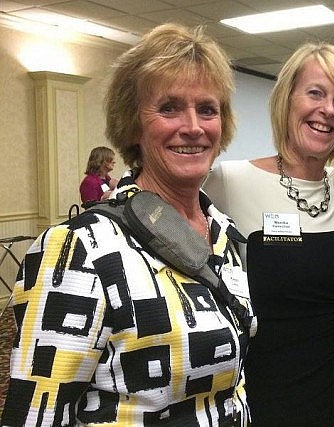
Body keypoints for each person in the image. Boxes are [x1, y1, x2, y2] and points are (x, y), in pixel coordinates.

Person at [1, 23, 255, 426]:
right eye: (169, 107)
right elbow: (35, 414)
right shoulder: (81, 248)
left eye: (207, 109)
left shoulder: (224, 232)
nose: (193, 126)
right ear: (133, 125)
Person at [204, 41, 334, 426]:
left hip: (332, 390)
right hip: (253, 392)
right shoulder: (226, 182)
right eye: (315, 92)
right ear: (288, 99)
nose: (327, 110)